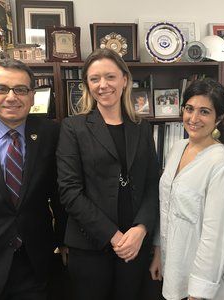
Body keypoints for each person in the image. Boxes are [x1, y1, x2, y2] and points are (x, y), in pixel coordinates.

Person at [0, 59, 67, 300]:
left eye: (20, 89)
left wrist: (64, 242)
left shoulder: (52, 133)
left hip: (35, 265)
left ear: (32, 95)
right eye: (2, 88)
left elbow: (60, 195)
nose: (11, 97)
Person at [56, 48, 159, 300]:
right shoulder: (73, 127)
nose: (103, 85)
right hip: (90, 245)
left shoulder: (141, 127)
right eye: (95, 79)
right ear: (87, 85)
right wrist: (114, 237)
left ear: (124, 80)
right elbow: (70, 192)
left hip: (135, 246)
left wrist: (142, 228)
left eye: (110, 77)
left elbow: (153, 184)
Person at [150, 77, 224, 300]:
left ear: (219, 118)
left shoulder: (222, 165)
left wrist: (199, 293)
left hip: (208, 286)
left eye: (204, 112)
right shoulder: (178, 148)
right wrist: (159, 251)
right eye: (189, 109)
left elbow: (218, 236)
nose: (193, 118)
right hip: (176, 268)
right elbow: (166, 205)